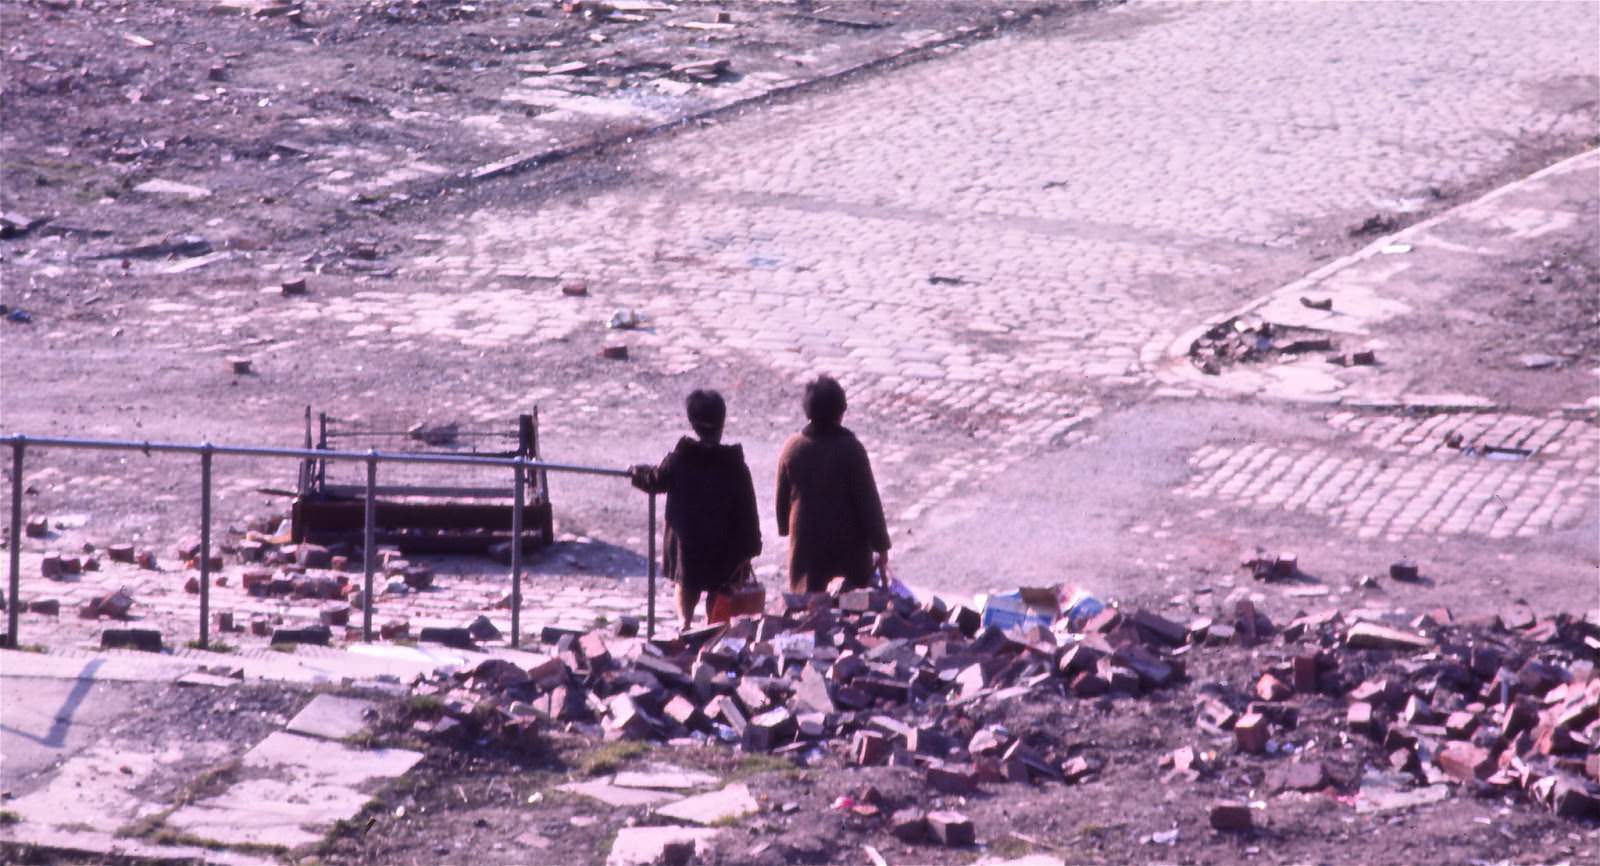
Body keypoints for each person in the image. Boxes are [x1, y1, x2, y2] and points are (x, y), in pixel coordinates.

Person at [629, 390, 762, 625]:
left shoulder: (681, 459)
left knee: (686, 585)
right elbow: (749, 509)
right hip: (724, 546)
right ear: (722, 423)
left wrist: (636, 472)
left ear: (693, 424)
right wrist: (752, 546)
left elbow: (656, 479)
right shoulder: (735, 465)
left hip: (689, 546)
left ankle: (684, 625)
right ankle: (713, 627)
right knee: (719, 589)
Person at [774, 375, 890, 594]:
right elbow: (869, 503)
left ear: (808, 412)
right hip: (849, 558)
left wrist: (784, 526)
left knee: (808, 607)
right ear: (841, 412)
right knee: (848, 609)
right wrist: (881, 545)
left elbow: (782, 498)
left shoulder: (792, 448)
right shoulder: (852, 449)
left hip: (807, 554)